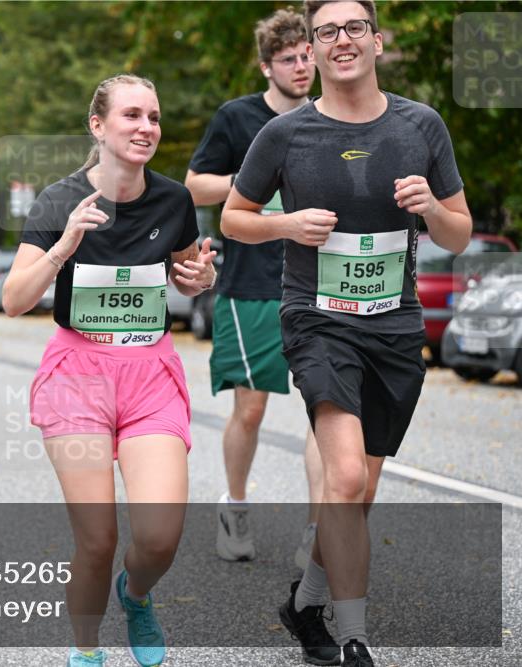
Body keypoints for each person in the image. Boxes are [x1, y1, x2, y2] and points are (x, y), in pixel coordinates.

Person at [222, 2, 472, 665]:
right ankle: (354, 635)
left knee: (357, 491)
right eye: (326, 31)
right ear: (312, 48)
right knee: (345, 473)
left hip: (394, 325)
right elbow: (233, 217)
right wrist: (286, 224)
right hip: (318, 320)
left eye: (354, 27)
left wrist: (431, 208)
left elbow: (459, 232)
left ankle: (304, 603)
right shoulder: (285, 133)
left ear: (376, 41)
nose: (341, 40)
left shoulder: (422, 125)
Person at [2, 74, 217, 667]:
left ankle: (137, 593)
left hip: (150, 373)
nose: (146, 127)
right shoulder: (58, 201)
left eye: (154, 116)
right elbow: (13, 299)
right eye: (132, 115)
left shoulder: (173, 201)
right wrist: (63, 245)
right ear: (98, 126)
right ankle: (86, 653)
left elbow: (186, 273)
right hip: (78, 376)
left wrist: (200, 278)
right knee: (97, 541)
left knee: (159, 537)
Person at [185, 7, 324, 568]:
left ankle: (319, 531)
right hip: (252, 285)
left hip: (319, 283)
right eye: (288, 59)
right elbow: (194, 187)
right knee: (250, 409)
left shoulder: (331, 117)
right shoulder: (237, 117)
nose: (300, 67)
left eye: (306, 56)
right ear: (267, 66)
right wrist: (252, 179)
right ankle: (235, 508)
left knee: (327, 410)